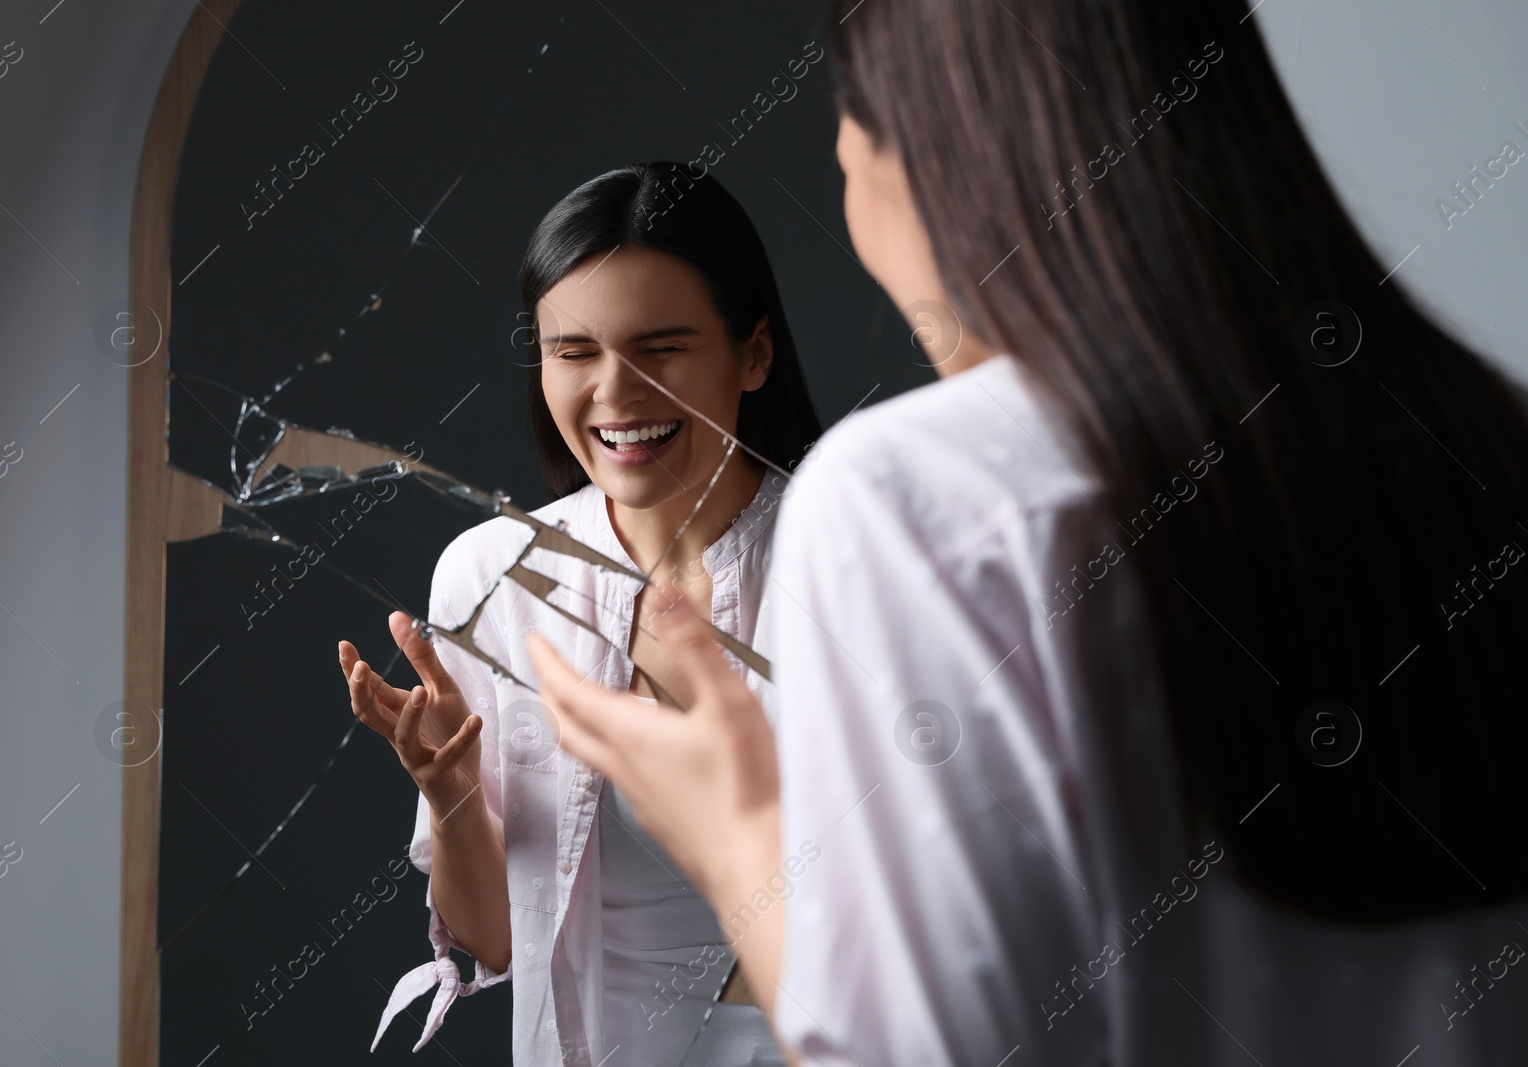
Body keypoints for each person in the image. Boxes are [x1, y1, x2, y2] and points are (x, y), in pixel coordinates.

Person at [531, 1, 1528, 1064]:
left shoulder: (912, 501)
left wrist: (733, 834)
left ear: (935, 152)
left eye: (851, 131)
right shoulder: (1478, 438)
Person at [343, 163, 821, 1064]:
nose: (616, 392)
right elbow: (495, 942)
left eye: (662, 347)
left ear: (753, 352)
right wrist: (446, 790)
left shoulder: (847, 556)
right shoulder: (493, 573)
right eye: (574, 352)